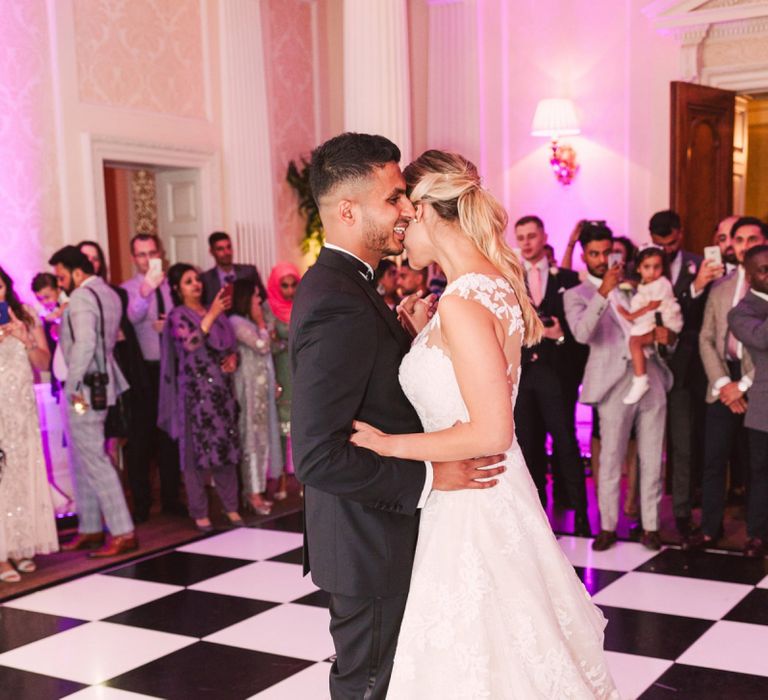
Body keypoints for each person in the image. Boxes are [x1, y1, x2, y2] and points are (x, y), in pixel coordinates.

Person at [349, 149, 618, 698]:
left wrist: (387, 444)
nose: (400, 233)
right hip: (488, 489)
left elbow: (491, 429)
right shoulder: (484, 286)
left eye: (404, 217)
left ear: (425, 210)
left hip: (471, 498)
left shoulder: (463, 302)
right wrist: (422, 334)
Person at [290, 134, 507, 699]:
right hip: (367, 542)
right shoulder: (338, 298)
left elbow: (375, 394)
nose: (407, 210)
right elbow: (317, 454)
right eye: (393, 198)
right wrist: (433, 476)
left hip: (384, 534)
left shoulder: (355, 288)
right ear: (347, 210)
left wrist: (412, 345)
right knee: (370, 686)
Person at [564, 223, 673, 552]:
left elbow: (662, 320)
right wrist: (602, 292)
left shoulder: (640, 284)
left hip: (650, 374)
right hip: (612, 383)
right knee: (610, 458)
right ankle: (608, 525)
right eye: (594, 253)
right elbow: (583, 334)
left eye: (606, 252)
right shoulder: (575, 295)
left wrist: (668, 336)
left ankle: (651, 526)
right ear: (584, 256)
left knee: (654, 454)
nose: (601, 259)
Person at [49, 246, 138, 557]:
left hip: (84, 391)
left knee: (94, 460)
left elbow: (86, 343)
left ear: (76, 272)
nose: (60, 284)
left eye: (61, 277)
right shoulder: (108, 293)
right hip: (101, 385)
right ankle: (90, 527)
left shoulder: (83, 297)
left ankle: (123, 531)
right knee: (83, 456)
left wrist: (72, 384)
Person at [512, 214, 589, 536]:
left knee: (566, 442)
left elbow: (579, 333)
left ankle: (582, 515)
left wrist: (557, 336)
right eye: (521, 237)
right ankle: (538, 521)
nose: (527, 242)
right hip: (524, 373)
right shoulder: (510, 277)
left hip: (557, 375)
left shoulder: (569, 278)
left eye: (532, 235)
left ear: (544, 237)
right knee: (528, 446)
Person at [649, 209, 722, 540]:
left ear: (680, 233)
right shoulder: (644, 263)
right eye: (659, 243)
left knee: (683, 442)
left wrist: (695, 287)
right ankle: (644, 514)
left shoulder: (699, 264)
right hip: (648, 363)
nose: (665, 249)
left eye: (670, 241)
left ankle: (680, 512)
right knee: (649, 443)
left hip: (686, 367)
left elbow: (703, 314)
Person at [695, 218, 767, 551]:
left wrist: (745, 384)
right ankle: (710, 528)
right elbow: (707, 336)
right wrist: (725, 383)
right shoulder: (721, 286)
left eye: (753, 238)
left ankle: (757, 532)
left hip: (758, 381)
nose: (745, 244)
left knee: (758, 464)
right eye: (739, 239)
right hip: (722, 381)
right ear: (732, 245)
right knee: (714, 459)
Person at [158, 264, 243, 532]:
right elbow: (190, 344)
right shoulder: (177, 316)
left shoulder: (215, 314)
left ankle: (231, 507)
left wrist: (232, 360)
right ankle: (200, 512)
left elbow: (230, 347)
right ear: (176, 288)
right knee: (194, 456)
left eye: (197, 279)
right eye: (188, 281)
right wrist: (213, 314)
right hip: (194, 396)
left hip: (220, 393)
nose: (196, 284)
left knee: (225, 450)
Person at [0, 267, 58, 583]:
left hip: (21, 411)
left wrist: (25, 340)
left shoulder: (25, 315)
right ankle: (0, 554)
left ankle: (21, 544)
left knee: (22, 472)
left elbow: (44, 363)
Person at [121, 234, 183, 521]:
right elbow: (132, 317)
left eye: (151, 253)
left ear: (160, 253)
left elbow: (185, 319)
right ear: (134, 258)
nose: (147, 259)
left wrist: (169, 326)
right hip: (144, 373)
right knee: (141, 441)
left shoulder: (173, 285)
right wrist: (146, 291)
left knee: (170, 438)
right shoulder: (129, 289)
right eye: (141, 254)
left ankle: (172, 499)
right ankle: (142, 504)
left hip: (172, 370)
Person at [728, 244, 768, 558]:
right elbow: (763, 339)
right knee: (761, 475)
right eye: (764, 270)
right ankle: (756, 533)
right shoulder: (741, 312)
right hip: (764, 407)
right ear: (750, 276)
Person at [230, 278, 282, 515]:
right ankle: (252, 493)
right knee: (251, 438)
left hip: (261, 390)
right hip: (248, 390)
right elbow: (262, 345)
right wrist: (262, 322)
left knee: (262, 439)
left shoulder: (250, 321)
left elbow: (273, 347)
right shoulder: (236, 322)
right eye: (255, 296)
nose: (259, 301)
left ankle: (258, 490)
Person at [618, 246, 683, 404]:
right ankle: (640, 376)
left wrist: (630, 315)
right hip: (652, 320)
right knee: (634, 341)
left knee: (635, 342)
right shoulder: (645, 284)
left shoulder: (662, 283)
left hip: (663, 320)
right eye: (647, 267)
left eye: (657, 267)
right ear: (639, 268)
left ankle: (640, 379)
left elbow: (652, 305)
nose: (652, 271)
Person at [264, 262, 301, 501]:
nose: (289, 291)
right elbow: (267, 343)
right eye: (284, 286)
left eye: (293, 285)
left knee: (301, 429)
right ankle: (280, 480)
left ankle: (303, 480)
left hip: (300, 371)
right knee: (280, 431)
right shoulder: (268, 309)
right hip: (279, 372)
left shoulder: (303, 304)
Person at [201, 231, 266, 307]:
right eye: (220, 249)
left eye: (229, 247)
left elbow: (263, 298)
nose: (227, 252)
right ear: (211, 252)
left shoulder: (249, 272)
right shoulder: (205, 279)